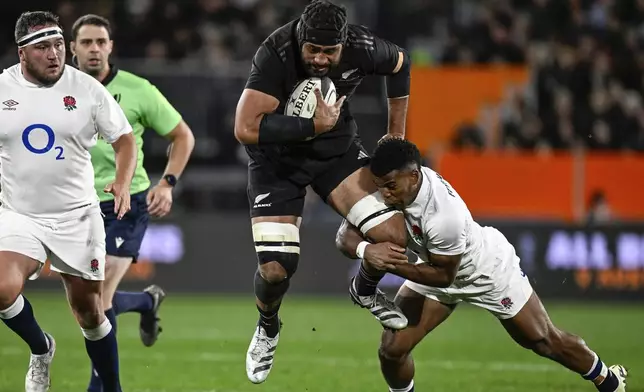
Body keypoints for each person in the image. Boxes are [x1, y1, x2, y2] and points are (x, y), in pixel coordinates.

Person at [335, 138, 629, 392]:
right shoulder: (394, 184)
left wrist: (388, 263)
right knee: (392, 350)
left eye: (389, 186)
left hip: (485, 270)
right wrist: (364, 248)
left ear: (414, 176)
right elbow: (346, 236)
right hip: (432, 265)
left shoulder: (443, 216)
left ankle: (609, 380)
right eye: (380, 187)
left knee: (544, 341)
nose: (384, 194)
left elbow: (443, 275)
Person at [235, 0, 412, 383]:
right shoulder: (275, 53)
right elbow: (245, 127)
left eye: (328, 52)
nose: (318, 58)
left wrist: (396, 133)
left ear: (343, 43)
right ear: (300, 38)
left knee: (393, 234)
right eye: (312, 49)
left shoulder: (362, 46)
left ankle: (364, 289)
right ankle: (268, 326)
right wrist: (312, 126)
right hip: (275, 165)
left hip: (335, 154)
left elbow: (400, 63)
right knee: (275, 270)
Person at [0, 11, 137, 392]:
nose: (54, 54)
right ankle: (41, 348)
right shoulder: (2, 89)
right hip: (19, 214)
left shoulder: (88, 89)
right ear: (22, 53)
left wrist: (123, 182)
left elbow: (125, 139)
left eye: (59, 45)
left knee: (90, 314)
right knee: (1, 289)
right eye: (42, 47)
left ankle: (112, 388)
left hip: (77, 216)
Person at [69, 14, 195, 392]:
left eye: (100, 42)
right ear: (72, 49)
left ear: (111, 47)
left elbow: (182, 136)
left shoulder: (138, 89)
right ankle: (143, 302)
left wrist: (168, 183)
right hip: (76, 207)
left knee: (99, 294)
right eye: (86, 42)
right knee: (85, 302)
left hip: (127, 203)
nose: (94, 49)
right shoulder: (60, 92)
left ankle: (103, 386)